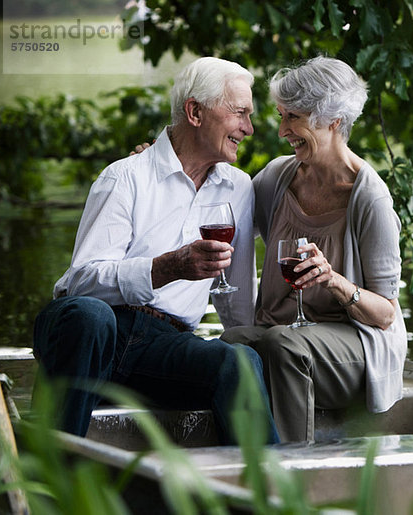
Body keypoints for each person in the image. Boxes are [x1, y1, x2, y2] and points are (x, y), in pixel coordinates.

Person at [32, 57, 279, 446]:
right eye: (239, 113)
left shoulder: (239, 188)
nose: (248, 128)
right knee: (91, 316)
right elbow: (79, 282)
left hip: (163, 347)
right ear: (195, 112)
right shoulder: (125, 175)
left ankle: (272, 496)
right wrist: (167, 267)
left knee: (240, 363)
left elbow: (237, 297)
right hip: (92, 332)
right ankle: (55, 476)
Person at [221, 56, 408, 442]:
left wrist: (335, 281)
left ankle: (291, 469)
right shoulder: (277, 178)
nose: (282, 130)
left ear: (333, 120)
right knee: (231, 344)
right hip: (284, 337)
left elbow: (385, 315)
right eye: (281, 116)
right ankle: (240, 462)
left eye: (293, 117)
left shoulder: (369, 198)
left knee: (283, 343)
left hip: (355, 350)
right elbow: (218, 207)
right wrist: (160, 163)